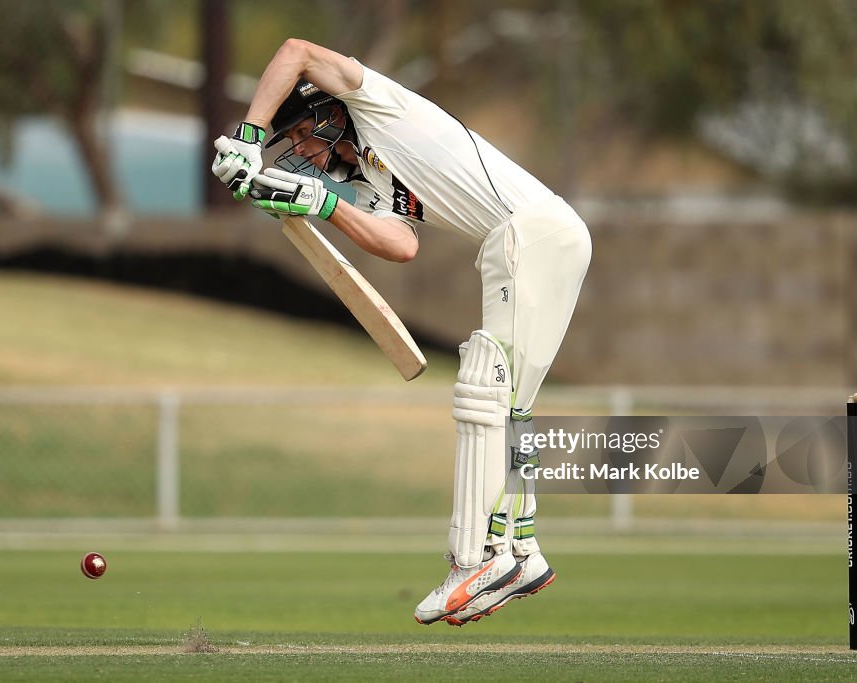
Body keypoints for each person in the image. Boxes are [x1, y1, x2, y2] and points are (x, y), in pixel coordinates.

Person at [211, 39, 592, 626]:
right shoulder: (366, 181)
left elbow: (296, 52)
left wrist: (249, 136)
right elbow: (401, 245)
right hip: (547, 237)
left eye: (302, 139)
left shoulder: (374, 103)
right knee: (510, 403)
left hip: (529, 234)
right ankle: (520, 549)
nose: (304, 155)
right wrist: (320, 202)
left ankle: (476, 561)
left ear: (324, 113)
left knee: (485, 385)